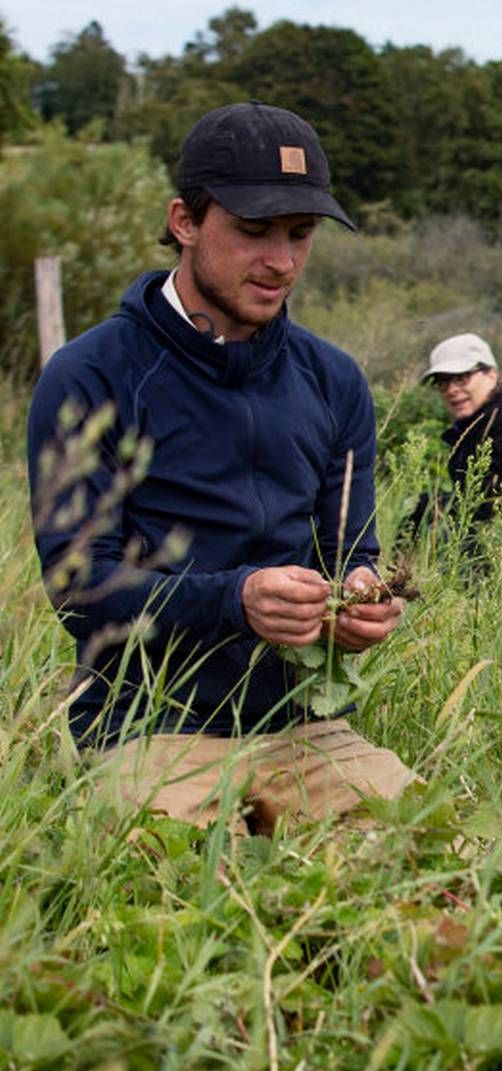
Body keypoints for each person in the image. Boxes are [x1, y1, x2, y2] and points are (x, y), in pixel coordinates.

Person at [27, 102, 416, 832]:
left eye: (300, 236)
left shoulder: (333, 381)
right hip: (146, 732)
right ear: (185, 221)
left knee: (435, 857)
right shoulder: (92, 375)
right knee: (200, 899)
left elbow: (349, 552)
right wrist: (235, 600)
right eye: (253, 231)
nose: (282, 261)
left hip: (305, 731)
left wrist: (361, 598)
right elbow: (78, 589)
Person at [405, 332, 502, 542]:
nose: (452, 390)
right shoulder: (472, 428)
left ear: (491, 375)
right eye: (443, 383)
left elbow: (497, 499)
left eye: (462, 378)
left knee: (431, 506)